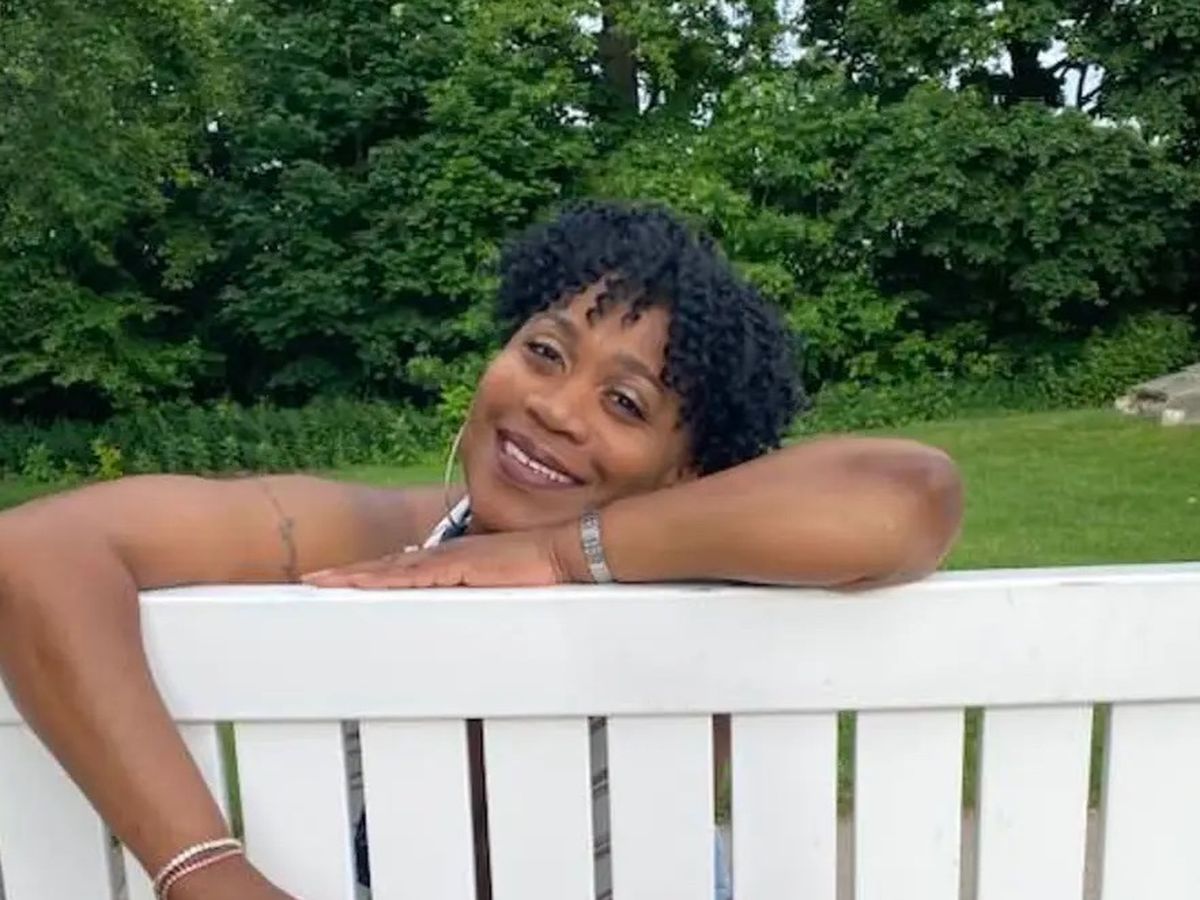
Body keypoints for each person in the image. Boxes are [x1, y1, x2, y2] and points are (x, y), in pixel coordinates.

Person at [0, 201, 962, 900]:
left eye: (624, 403)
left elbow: (910, 496)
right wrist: (206, 873)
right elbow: (35, 549)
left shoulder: (708, 558)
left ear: (689, 472)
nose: (555, 408)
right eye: (544, 352)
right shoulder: (390, 534)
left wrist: (564, 556)